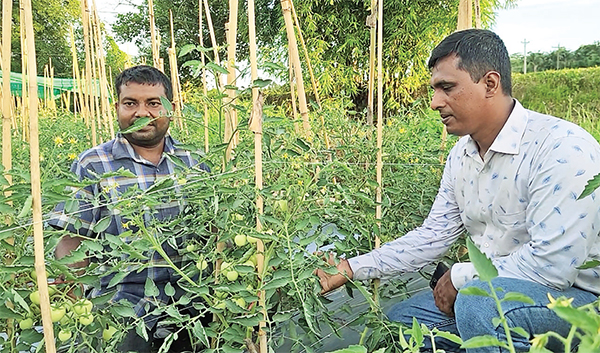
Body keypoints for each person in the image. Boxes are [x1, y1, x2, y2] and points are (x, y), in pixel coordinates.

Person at [316, 29, 600, 352]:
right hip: (490, 291)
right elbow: (432, 235)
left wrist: (461, 277)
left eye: (447, 88)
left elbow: (551, 269)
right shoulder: (462, 156)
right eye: (435, 89)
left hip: (578, 303)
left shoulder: (561, 149)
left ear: (490, 84)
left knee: (479, 307)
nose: (435, 102)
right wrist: (352, 267)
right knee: (401, 323)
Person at [50, 65, 209, 352]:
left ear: (170, 108)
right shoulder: (93, 164)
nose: (142, 112)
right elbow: (73, 239)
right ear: (117, 107)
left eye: (153, 103)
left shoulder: (194, 162)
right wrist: (73, 295)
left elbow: (215, 232)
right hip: (122, 312)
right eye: (130, 103)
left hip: (193, 308)